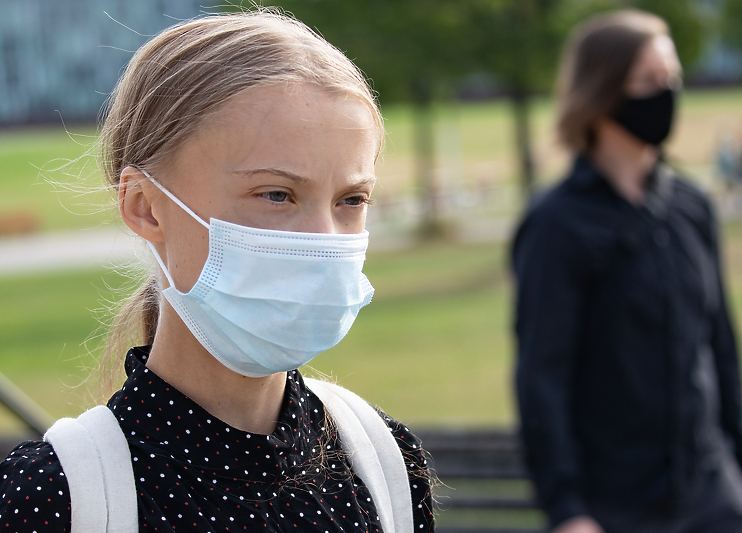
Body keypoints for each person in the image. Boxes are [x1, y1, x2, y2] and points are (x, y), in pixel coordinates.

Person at [0, 10, 434, 533]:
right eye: (277, 194)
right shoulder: (55, 500)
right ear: (145, 206)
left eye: (352, 199)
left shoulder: (384, 463)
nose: (324, 242)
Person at [512, 10, 742, 533]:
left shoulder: (693, 206)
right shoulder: (557, 224)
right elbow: (541, 377)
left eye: (673, 80)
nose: (667, 95)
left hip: (715, 497)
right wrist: (567, 509)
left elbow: (721, 350)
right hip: (617, 507)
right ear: (601, 91)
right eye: (649, 82)